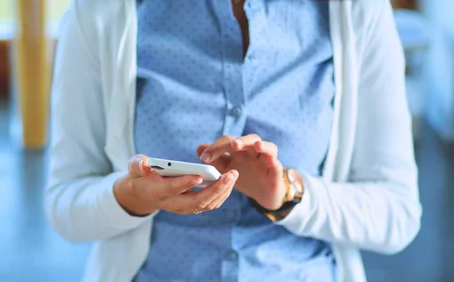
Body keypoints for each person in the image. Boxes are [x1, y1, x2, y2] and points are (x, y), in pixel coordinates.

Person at [45, 0, 422, 281]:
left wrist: (289, 194)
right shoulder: (98, 15)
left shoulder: (357, 14)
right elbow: (63, 206)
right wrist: (130, 197)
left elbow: (397, 217)